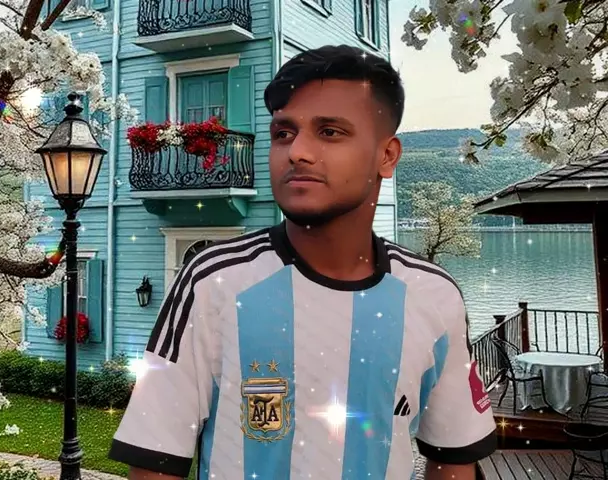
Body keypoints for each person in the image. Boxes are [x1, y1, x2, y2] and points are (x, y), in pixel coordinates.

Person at [108, 44, 497, 480]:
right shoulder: (212, 282)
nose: (297, 152)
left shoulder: (434, 295)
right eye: (283, 133)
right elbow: (155, 461)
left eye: (329, 132)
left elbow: (454, 457)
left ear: (387, 156)